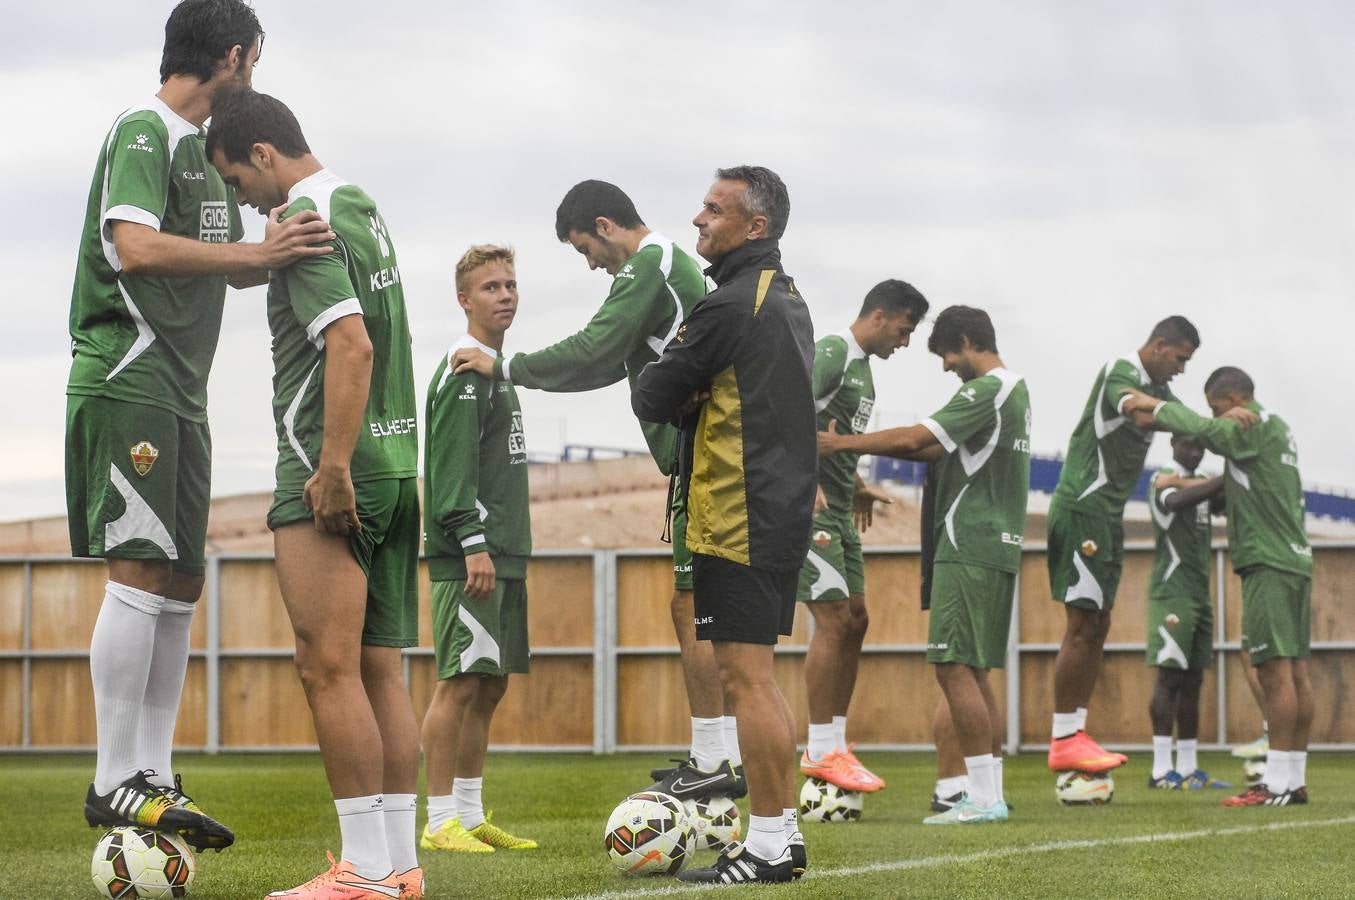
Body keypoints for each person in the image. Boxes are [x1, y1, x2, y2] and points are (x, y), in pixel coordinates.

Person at [70, 0, 334, 851]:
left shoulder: (210, 154)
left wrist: (290, 240)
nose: (258, 73)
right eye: (257, 58)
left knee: (182, 579)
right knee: (141, 569)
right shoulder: (144, 132)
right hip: (130, 377)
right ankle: (114, 778)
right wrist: (259, 256)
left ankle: (151, 772)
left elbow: (232, 267)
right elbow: (134, 249)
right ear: (236, 55)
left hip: (185, 392)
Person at [448, 181, 743, 798]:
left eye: (585, 248)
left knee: (698, 609)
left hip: (707, 461)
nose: (589, 263)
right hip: (697, 461)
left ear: (606, 227)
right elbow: (605, 365)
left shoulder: (652, 264)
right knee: (697, 608)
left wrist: (505, 367)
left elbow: (594, 347)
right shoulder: (657, 274)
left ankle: (717, 759)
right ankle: (716, 753)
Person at [207, 90, 423, 897]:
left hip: (332, 471)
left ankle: (362, 872)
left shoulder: (303, 215)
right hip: (399, 467)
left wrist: (331, 465)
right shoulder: (358, 202)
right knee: (377, 673)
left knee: (324, 668)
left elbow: (351, 343)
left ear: (263, 153)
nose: (244, 202)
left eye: (236, 181)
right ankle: (399, 866)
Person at [634, 166, 814, 884]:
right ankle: (781, 834)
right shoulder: (785, 296)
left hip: (736, 512)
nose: (698, 220)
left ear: (755, 227)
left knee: (745, 678)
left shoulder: (731, 304)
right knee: (756, 679)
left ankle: (770, 843)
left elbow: (652, 393)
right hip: (775, 509)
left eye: (713, 210)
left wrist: (685, 391)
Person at [819, 305, 1030, 824]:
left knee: (951, 664)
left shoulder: (988, 389)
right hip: (991, 545)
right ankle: (987, 793)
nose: (944, 368)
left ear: (964, 341)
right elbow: (935, 451)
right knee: (973, 670)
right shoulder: (1014, 392)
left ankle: (980, 798)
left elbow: (918, 439)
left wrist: (840, 444)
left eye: (945, 356)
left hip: (968, 542)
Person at [1122, 367, 1313, 807]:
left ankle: (1277, 783)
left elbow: (1201, 429)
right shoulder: (1276, 430)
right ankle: (1292, 779)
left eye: (1216, 409)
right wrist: (1179, 481)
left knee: (1275, 672)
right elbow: (1224, 490)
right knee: (1297, 673)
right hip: (1295, 560)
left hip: (1268, 561)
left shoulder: (1247, 426)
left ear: (1231, 402)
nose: (1214, 420)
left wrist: (1152, 404)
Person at [1045, 317, 1209, 776]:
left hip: (1107, 517)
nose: (1180, 370)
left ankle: (1075, 731)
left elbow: (1187, 426)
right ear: (1159, 346)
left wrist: (1221, 426)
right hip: (1082, 507)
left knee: (1098, 623)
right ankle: (1064, 737)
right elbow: (1139, 411)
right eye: (1180, 359)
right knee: (1081, 624)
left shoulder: (1158, 389)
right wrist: (1182, 417)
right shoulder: (1121, 370)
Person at [420, 246, 538, 855]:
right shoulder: (465, 374)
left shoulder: (498, 369)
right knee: (460, 682)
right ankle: (439, 821)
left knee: (490, 685)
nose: (506, 295)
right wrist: (472, 543)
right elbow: (448, 469)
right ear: (464, 300)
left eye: (511, 284)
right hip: (473, 556)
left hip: (505, 553)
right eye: (491, 287)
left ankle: (468, 812)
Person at [796, 279, 928, 794]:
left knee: (856, 620)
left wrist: (857, 485)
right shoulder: (832, 351)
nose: (905, 341)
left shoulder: (864, 373)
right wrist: (802, 484)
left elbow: (828, 436)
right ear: (880, 316)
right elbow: (786, 412)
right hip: (811, 512)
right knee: (831, 620)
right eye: (905, 329)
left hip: (839, 511)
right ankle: (818, 747)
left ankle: (836, 741)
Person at [1144, 435, 1230, 790]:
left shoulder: (1202, 483)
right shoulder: (1162, 477)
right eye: (1189, 446)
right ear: (1173, 443)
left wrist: (1233, 471)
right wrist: (1219, 480)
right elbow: (1175, 500)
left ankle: (1190, 766)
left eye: (1201, 447)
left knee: (1194, 678)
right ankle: (1161, 770)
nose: (1195, 453)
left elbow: (1225, 501)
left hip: (1199, 594)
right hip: (1172, 592)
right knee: (1170, 678)